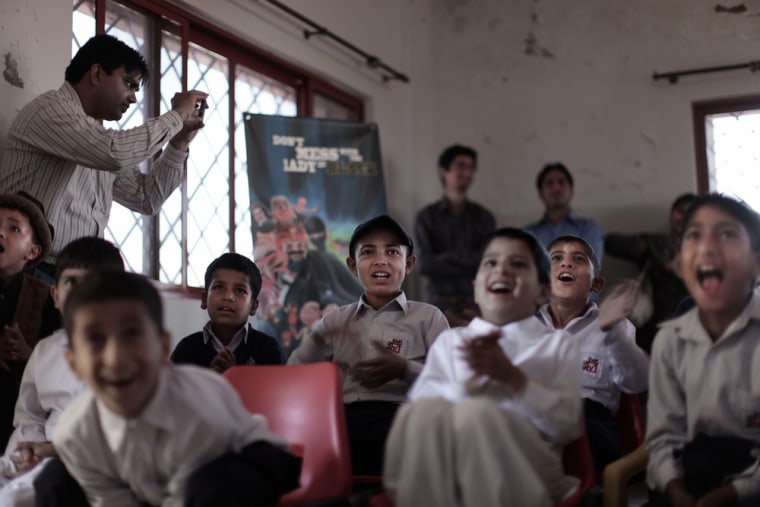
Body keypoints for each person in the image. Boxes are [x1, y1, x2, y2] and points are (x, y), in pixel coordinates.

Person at [35, 271, 301, 507]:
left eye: (132, 334)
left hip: (245, 458)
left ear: (163, 347)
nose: (115, 358)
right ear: (73, 362)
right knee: (54, 480)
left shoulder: (195, 404)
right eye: (95, 339)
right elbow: (110, 500)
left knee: (211, 487)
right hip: (156, 484)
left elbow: (188, 495)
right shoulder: (76, 432)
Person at [383, 227, 582, 507]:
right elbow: (421, 425)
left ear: (542, 292)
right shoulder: (451, 342)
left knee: (476, 413)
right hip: (448, 472)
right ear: (476, 286)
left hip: (528, 472)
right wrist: (467, 383)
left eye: (518, 264)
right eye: (491, 262)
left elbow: (568, 426)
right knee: (422, 412)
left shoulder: (558, 346)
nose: (502, 269)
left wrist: (511, 377)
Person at [0, 34, 207, 265]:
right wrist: (176, 116)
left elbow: (145, 197)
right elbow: (114, 153)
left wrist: (179, 143)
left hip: (73, 275)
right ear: (97, 74)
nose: (133, 98)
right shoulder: (50, 109)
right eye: (129, 84)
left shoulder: (98, 137)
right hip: (28, 271)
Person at [288, 214, 449, 475]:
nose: (381, 260)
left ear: (409, 264)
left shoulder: (429, 317)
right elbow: (293, 374)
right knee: (293, 457)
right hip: (344, 421)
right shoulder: (335, 320)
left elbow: (451, 381)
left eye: (392, 252)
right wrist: (318, 340)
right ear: (352, 266)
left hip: (404, 419)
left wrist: (404, 369)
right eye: (368, 252)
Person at [646, 194, 760, 507]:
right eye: (694, 235)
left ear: (756, 262)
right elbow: (663, 440)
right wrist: (673, 487)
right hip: (689, 480)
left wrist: (734, 493)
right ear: (680, 264)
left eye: (727, 234)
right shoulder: (669, 342)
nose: (707, 247)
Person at [0, 236, 124, 506]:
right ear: (56, 296)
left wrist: (52, 451)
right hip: (42, 458)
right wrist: (25, 454)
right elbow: (29, 417)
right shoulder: (45, 351)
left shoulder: (130, 354)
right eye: (72, 283)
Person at [535, 235, 649, 472]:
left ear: (596, 285)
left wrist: (612, 330)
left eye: (578, 259)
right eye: (556, 258)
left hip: (590, 426)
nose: (566, 264)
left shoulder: (616, 326)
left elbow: (637, 382)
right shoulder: (522, 326)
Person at [0, 192, 59, 451]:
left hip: (17, 427)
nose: (1, 233)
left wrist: (28, 354)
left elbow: (64, 370)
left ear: (32, 251)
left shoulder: (47, 298)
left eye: (13, 228)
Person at [605, 192, 697, 353]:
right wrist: (660, 255)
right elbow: (610, 243)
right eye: (680, 211)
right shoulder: (656, 243)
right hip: (654, 331)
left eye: (691, 213)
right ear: (671, 215)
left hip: (693, 330)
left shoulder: (707, 252)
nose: (684, 217)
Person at [414, 144, 496, 324]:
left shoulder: (484, 217)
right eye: (461, 166)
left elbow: (489, 262)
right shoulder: (426, 217)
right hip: (438, 305)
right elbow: (425, 265)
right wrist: (468, 260)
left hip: (476, 304)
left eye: (471, 168)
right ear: (443, 170)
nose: (467, 172)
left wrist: (445, 257)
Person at [170, 252, 285, 372]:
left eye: (240, 290)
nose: (228, 296)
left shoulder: (268, 349)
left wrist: (236, 376)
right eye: (219, 287)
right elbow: (174, 390)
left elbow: (279, 390)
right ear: (204, 299)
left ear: (253, 307)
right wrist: (210, 378)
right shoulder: (187, 349)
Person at [524, 162, 604, 265]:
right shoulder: (528, 235)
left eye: (561, 182)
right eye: (549, 183)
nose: (556, 188)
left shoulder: (590, 229)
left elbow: (589, 270)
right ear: (540, 194)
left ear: (572, 192)